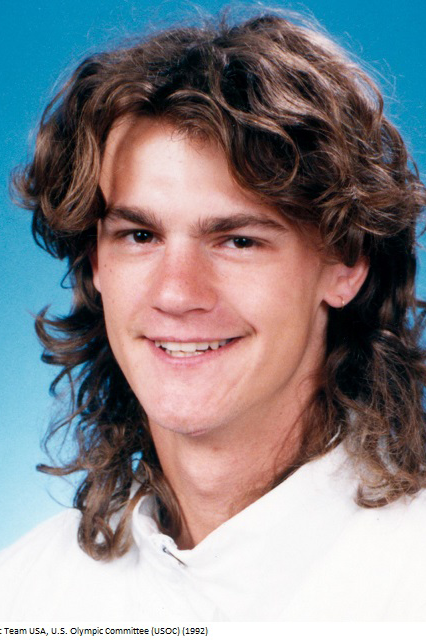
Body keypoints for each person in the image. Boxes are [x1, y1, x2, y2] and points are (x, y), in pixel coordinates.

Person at [2, 9, 426, 621]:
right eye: (140, 235)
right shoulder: (25, 595)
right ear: (95, 262)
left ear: (346, 263)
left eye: (238, 240)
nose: (177, 293)